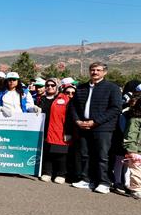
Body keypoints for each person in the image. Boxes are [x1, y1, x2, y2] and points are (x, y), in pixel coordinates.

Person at [68, 62, 123, 194]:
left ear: (104, 72)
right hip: (83, 126)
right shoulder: (81, 88)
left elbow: (115, 108)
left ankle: (104, 182)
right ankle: (86, 180)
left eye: (98, 70)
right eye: (92, 70)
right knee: (85, 154)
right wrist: (77, 121)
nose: (95, 72)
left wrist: (96, 121)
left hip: (103, 128)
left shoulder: (112, 88)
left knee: (102, 156)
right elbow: (72, 106)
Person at [40, 78, 75, 184]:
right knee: (47, 153)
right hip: (45, 129)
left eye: (52, 85)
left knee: (60, 154)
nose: (50, 87)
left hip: (59, 130)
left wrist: (68, 132)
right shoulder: (42, 99)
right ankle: (47, 172)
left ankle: (61, 174)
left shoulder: (64, 98)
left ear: (57, 86)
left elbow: (69, 117)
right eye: (47, 85)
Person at [122, 93, 141, 199]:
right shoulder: (135, 120)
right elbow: (130, 134)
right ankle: (136, 189)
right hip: (136, 149)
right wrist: (131, 150)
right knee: (136, 170)